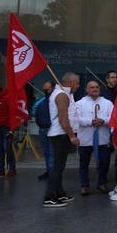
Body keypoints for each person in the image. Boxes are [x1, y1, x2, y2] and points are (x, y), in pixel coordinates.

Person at [43, 72, 81, 207]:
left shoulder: (65, 94)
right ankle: (49, 196)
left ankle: (59, 193)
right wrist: (71, 135)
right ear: (70, 82)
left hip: (61, 134)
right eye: (77, 83)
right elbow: (62, 118)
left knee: (60, 166)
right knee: (57, 167)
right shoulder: (62, 95)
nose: (78, 85)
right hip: (60, 135)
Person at [75, 80, 114, 195]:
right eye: (92, 87)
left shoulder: (107, 103)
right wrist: (90, 122)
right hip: (85, 139)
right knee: (84, 164)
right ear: (87, 89)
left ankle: (102, 183)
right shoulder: (79, 103)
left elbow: (113, 117)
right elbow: (77, 119)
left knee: (104, 162)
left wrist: (103, 121)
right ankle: (84, 185)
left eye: (97, 87)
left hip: (102, 138)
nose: (95, 89)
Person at [34, 81, 55, 181]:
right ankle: (48, 171)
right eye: (45, 89)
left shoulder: (56, 100)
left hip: (52, 130)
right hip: (43, 130)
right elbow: (34, 111)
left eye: (48, 89)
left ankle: (52, 173)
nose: (46, 91)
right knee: (46, 153)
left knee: (52, 153)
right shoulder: (42, 101)